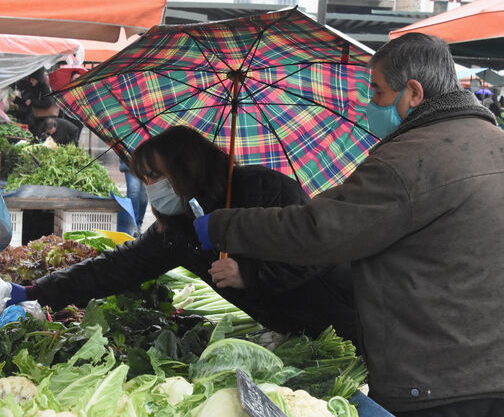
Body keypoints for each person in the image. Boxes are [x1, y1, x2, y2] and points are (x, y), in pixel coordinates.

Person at [194, 33, 504, 416]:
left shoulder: (409, 159)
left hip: (436, 382)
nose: (370, 105)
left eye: (376, 93)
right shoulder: (496, 142)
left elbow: (318, 231)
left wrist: (222, 226)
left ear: (413, 93)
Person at [7, 125, 357, 345]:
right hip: (295, 330)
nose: (151, 186)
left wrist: (247, 274)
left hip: (346, 317)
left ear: (187, 168)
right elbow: (117, 267)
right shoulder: (180, 227)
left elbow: (315, 253)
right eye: (145, 178)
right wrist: (38, 291)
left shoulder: (266, 189)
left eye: (156, 175)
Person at [119, 158, 148, 235]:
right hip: (130, 158)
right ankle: (132, 225)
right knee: (133, 192)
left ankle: (138, 224)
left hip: (148, 160)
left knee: (144, 196)